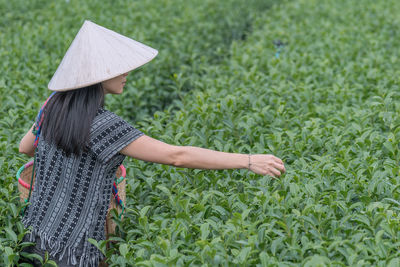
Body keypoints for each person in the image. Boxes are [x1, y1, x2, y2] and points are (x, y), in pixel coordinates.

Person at [18, 20, 285, 267]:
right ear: (96, 75)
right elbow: (176, 156)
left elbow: (25, 148)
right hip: (73, 252)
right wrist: (248, 161)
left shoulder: (52, 106)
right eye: (117, 67)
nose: (127, 73)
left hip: (34, 239)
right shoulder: (103, 124)